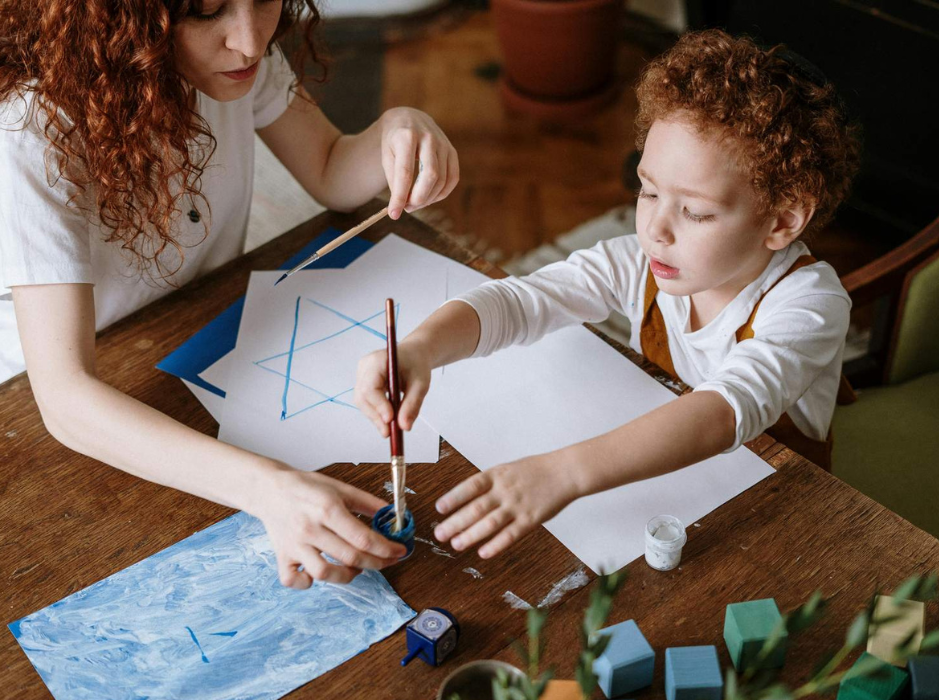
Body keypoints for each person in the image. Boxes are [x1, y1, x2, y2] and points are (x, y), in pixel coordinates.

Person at [0, 0, 459, 588]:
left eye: (264, 0)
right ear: (118, 18)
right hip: (15, 420)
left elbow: (332, 171)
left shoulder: (233, 62)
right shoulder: (34, 130)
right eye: (207, 10)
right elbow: (63, 398)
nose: (250, 41)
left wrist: (399, 128)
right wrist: (269, 488)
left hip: (187, 350)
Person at [355, 29, 860, 560]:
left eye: (695, 211)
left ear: (782, 220)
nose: (656, 229)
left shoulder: (809, 303)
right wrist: (421, 349)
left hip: (784, 506)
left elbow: (723, 411)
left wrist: (562, 472)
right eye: (648, 191)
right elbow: (524, 300)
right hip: (674, 485)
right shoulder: (640, 262)